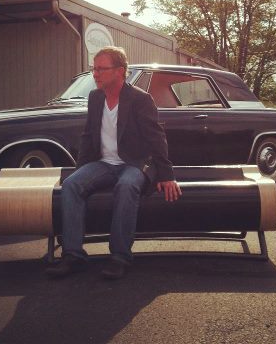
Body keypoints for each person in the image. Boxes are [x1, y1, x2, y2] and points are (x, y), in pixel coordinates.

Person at [46, 46, 181, 280]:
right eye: (93, 69)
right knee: (71, 185)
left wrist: (166, 174)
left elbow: (156, 137)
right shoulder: (95, 97)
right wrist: (82, 170)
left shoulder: (140, 99)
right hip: (103, 164)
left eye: (101, 69)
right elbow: (88, 135)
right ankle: (73, 255)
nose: (95, 74)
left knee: (127, 186)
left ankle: (120, 257)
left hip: (134, 164)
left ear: (120, 71)